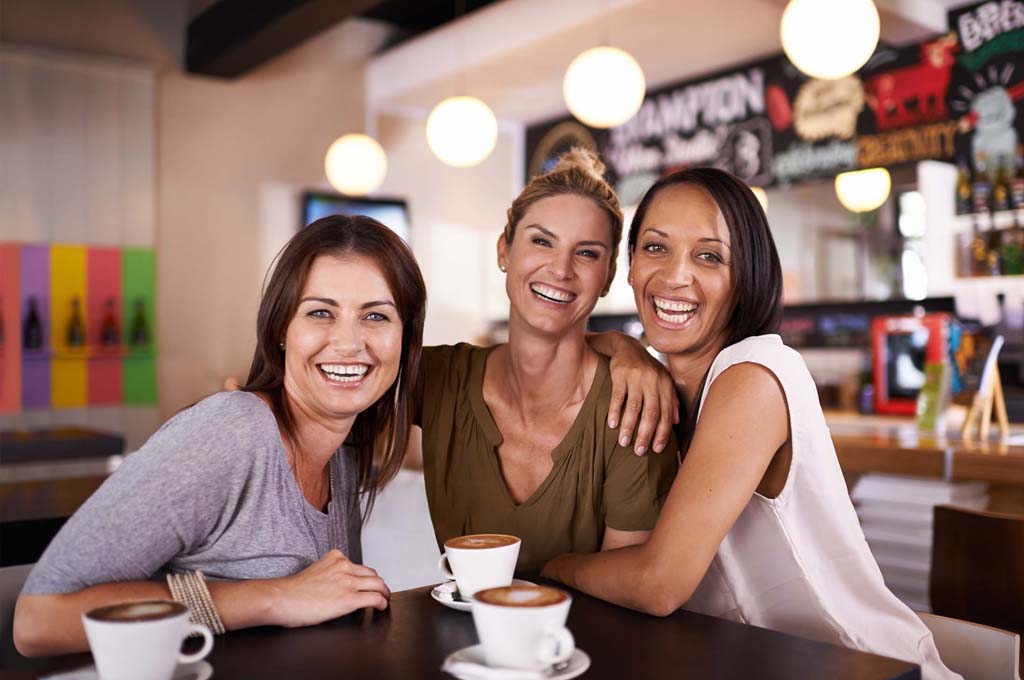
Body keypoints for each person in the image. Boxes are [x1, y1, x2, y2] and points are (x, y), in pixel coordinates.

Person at [541, 168, 959, 679]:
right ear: (630, 268)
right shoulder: (664, 387)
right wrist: (623, 346)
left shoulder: (753, 376)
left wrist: (550, 568)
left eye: (709, 256)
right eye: (655, 248)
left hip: (866, 668)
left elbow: (659, 582)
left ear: (746, 278)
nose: (675, 276)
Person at [14, 215, 426, 656]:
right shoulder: (232, 430)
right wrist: (274, 597)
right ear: (280, 330)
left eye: (376, 316)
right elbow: (40, 619)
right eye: (320, 312)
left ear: (404, 339)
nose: (348, 342)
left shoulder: (342, 452)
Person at [413, 148, 679, 574]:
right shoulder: (437, 377)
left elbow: (628, 592)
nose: (560, 269)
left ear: (608, 276)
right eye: (541, 241)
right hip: (457, 635)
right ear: (504, 250)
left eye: (587, 253)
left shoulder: (631, 407)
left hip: (584, 641)